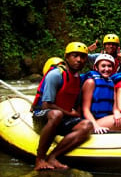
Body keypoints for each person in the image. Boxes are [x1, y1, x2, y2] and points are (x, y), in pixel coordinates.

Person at [31, 42, 93, 171]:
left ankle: (53, 156)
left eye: (82, 57)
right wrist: (71, 114)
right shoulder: (55, 75)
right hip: (43, 116)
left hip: (61, 118)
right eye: (75, 56)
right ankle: (40, 158)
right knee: (56, 114)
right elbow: (46, 105)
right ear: (67, 57)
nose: (79, 60)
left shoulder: (77, 78)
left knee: (87, 125)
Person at [81, 54, 121, 133]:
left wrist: (117, 114)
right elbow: (85, 110)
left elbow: (115, 108)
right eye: (103, 66)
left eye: (109, 66)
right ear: (96, 67)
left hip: (106, 118)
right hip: (92, 122)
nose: (106, 69)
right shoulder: (90, 82)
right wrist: (96, 126)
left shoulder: (111, 83)